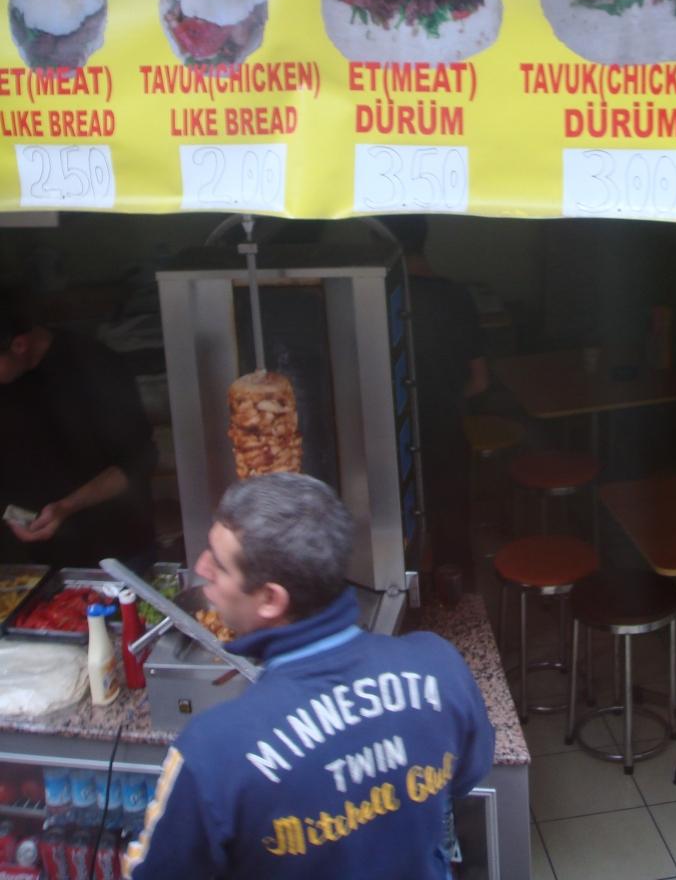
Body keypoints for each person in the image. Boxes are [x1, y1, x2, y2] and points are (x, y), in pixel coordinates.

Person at [123, 473, 495, 880]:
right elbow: (465, 776)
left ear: (271, 599)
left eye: (219, 565)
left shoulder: (211, 753)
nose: (201, 567)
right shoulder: (439, 666)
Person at [0, 287, 157, 567]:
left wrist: (66, 507)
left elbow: (138, 461)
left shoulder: (96, 366)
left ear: (19, 345)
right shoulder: (7, 376)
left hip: (114, 550)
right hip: (31, 561)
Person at [381, 216, 488, 579]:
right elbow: (480, 381)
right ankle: (457, 593)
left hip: (391, 440)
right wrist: (446, 397)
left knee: (399, 538)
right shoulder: (456, 297)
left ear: (382, 244)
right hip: (447, 432)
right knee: (452, 530)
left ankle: (410, 595)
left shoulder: (380, 301)